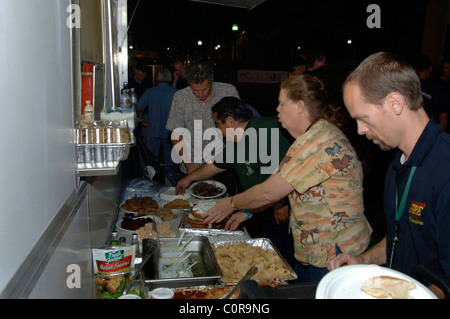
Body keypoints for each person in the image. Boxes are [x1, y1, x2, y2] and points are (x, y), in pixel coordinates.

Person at [204, 75, 373, 282]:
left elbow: (268, 191)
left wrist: (230, 204)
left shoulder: (317, 142)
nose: (277, 110)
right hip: (315, 251)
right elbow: (283, 187)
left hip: (334, 252)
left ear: (300, 106)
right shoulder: (311, 137)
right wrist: (248, 211)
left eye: (282, 104)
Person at [328, 52, 450, 299]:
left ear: (395, 103)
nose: (360, 130)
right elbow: (401, 236)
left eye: (363, 118)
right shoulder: (399, 162)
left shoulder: (445, 171)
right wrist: (363, 259)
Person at [176, 96, 295, 266]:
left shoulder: (266, 131)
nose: (218, 130)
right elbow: (216, 165)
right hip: (260, 207)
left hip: (281, 211)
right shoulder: (239, 139)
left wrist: (282, 203)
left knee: (282, 261)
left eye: (218, 124)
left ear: (230, 121)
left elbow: (288, 174)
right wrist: (188, 179)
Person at [166, 62, 241, 190]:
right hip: (192, 165)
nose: (201, 94)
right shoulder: (180, 97)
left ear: (212, 80)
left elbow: (239, 125)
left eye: (205, 89)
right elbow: (176, 134)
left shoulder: (228, 91)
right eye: (195, 90)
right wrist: (189, 165)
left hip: (224, 165)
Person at [137, 68, 177, 164]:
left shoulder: (150, 92)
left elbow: (138, 108)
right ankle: (170, 177)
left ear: (157, 78)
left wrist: (142, 121)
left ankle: (154, 178)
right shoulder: (176, 93)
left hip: (153, 130)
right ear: (170, 79)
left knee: (151, 161)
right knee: (170, 162)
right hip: (170, 133)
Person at [413, 55, 449, 131]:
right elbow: (444, 121)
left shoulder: (407, 86)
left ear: (414, 70)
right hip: (427, 133)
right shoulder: (439, 90)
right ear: (430, 69)